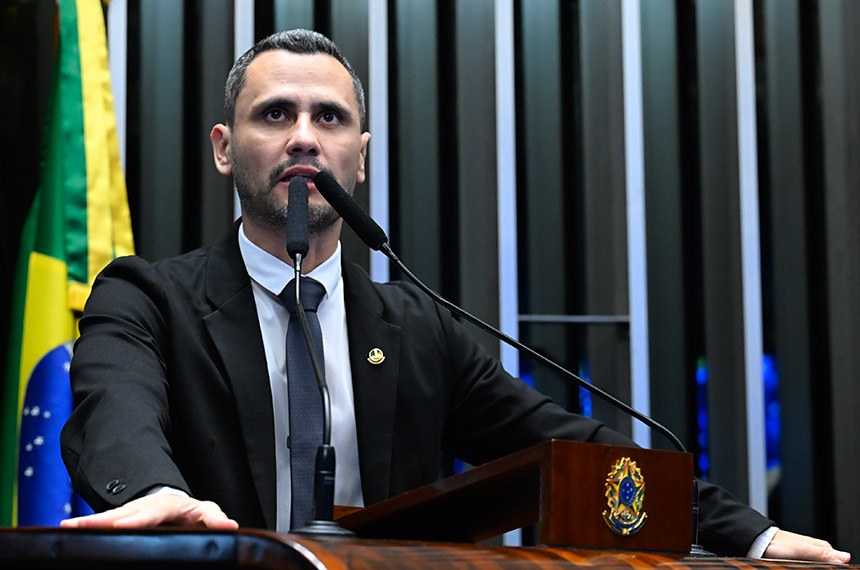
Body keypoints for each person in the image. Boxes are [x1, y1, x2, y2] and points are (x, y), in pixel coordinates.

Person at [59, 29, 849, 563]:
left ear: (357, 158)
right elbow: (114, 412)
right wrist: (160, 494)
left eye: (328, 117)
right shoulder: (147, 299)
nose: (304, 135)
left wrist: (753, 538)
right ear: (226, 150)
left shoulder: (412, 327)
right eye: (276, 114)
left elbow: (570, 450)